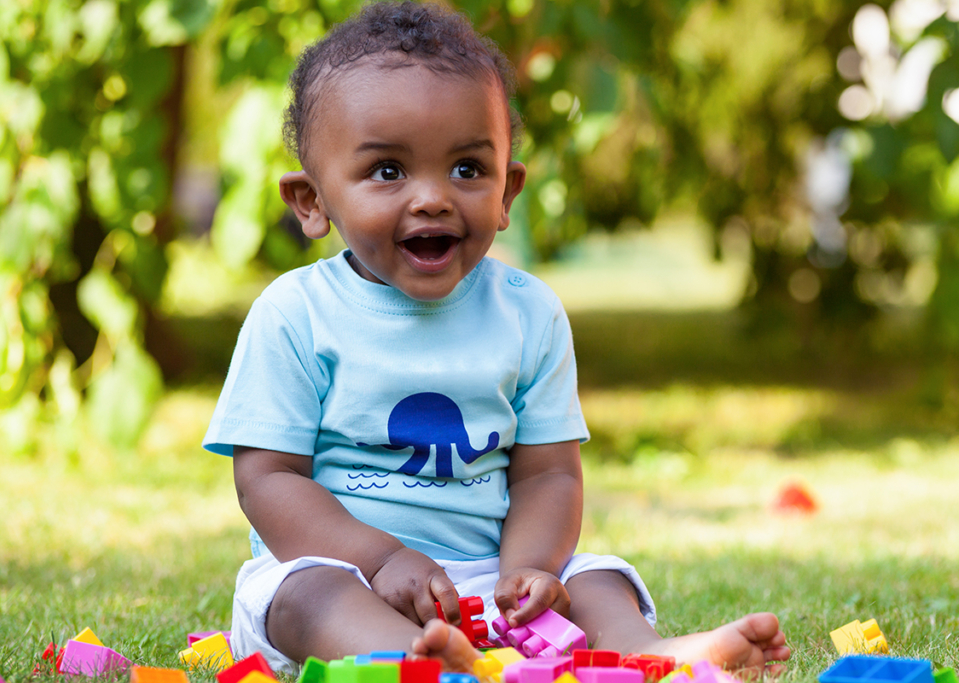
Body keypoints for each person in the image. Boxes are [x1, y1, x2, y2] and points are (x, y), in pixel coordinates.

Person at [203, 0, 791, 676]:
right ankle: (420, 663)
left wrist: (529, 571)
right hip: (348, 574)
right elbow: (269, 479)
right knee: (306, 594)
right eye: (388, 171)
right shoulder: (295, 313)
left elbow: (547, 472)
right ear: (312, 201)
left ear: (507, 190)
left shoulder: (528, 314)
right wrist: (383, 558)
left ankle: (653, 658)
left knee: (600, 577)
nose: (433, 198)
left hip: (488, 579)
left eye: (466, 169)